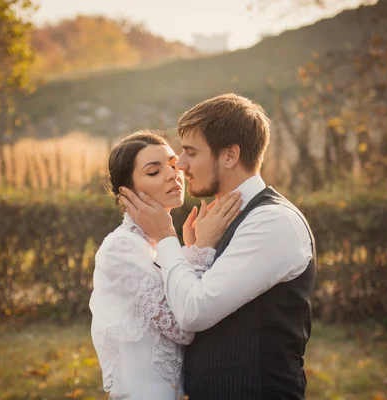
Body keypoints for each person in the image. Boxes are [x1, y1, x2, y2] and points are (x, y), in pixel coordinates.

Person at [119, 94, 317, 399]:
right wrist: (195, 250)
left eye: (191, 152)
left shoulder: (272, 222)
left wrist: (166, 238)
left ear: (229, 156)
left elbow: (194, 311)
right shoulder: (218, 222)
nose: (180, 165)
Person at [89, 130, 243, 399]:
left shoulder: (160, 247)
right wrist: (201, 251)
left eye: (173, 165)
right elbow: (182, 328)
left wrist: (189, 250)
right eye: (153, 172)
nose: (174, 175)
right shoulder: (121, 248)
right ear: (127, 192)